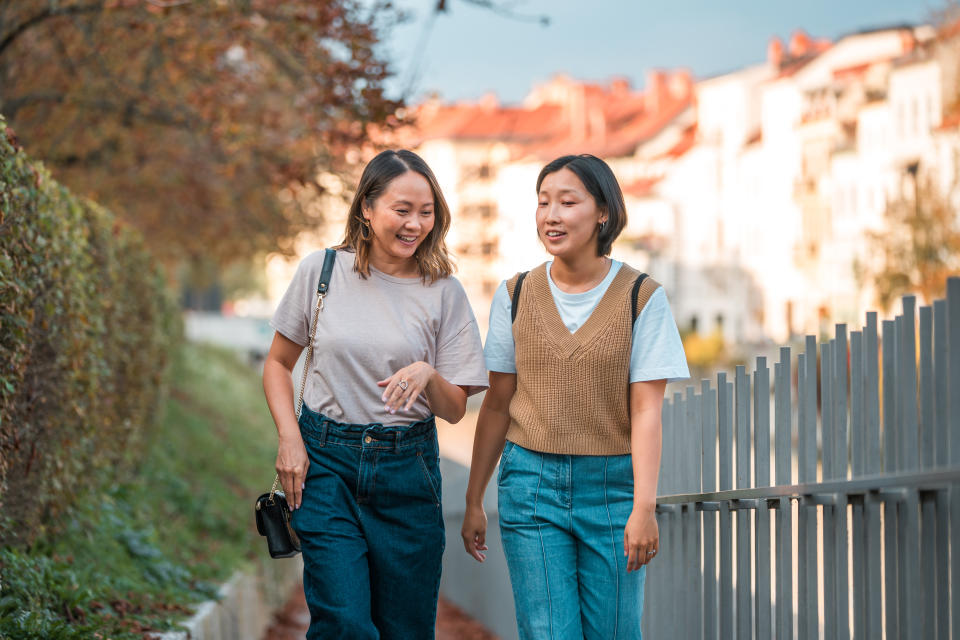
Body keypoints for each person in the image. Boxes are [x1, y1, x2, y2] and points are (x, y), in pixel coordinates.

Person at [461, 154, 689, 639]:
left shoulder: (640, 297)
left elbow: (647, 409)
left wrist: (643, 507)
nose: (551, 215)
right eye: (543, 202)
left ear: (603, 211)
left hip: (611, 487)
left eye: (568, 202)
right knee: (548, 633)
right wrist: (474, 498)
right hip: (529, 485)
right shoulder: (515, 294)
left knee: (615, 632)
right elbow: (497, 404)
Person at [263, 149, 488, 640]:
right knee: (344, 623)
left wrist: (429, 373)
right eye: (401, 210)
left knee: (404, 630)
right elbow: (278, 365)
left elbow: (454, 410)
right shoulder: (321, 273)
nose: (415, 224)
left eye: (426, 212)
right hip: (324, 465)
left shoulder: (443, 291)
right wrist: (288, 438)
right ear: (366, 208)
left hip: (408, 472)